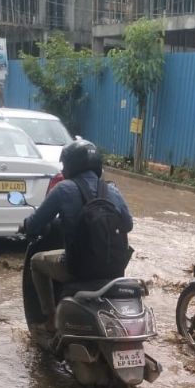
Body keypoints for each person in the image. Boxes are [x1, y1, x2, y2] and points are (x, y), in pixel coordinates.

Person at [20, 139, 133, 336]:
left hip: (78, 268)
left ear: (71, 165)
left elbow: (36, 223)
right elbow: (128, 225)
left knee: (36, 263)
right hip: (114, 269)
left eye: (64, 164)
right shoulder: (112, 190)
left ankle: (50, 319)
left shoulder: (64, 189)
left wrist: (26, 226)